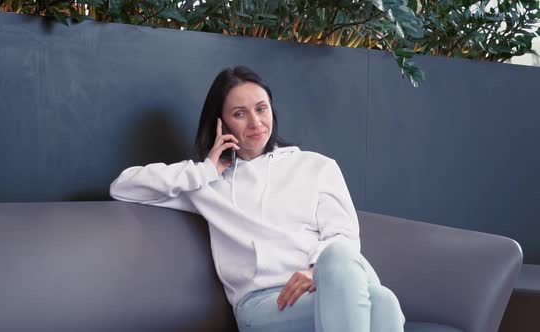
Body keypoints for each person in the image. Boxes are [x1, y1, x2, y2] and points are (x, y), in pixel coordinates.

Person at [110, 66, 405, 332]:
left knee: (367, 284)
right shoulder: (208, 183)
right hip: (264, 305)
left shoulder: (317, 166)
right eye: (240, 114)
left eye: (261, 109)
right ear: (221, 124)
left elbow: (344, 236)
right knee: (381, 300)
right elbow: (124, 186)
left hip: (325, 286)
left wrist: (314, 271)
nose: (255, 123)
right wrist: (204, 171)